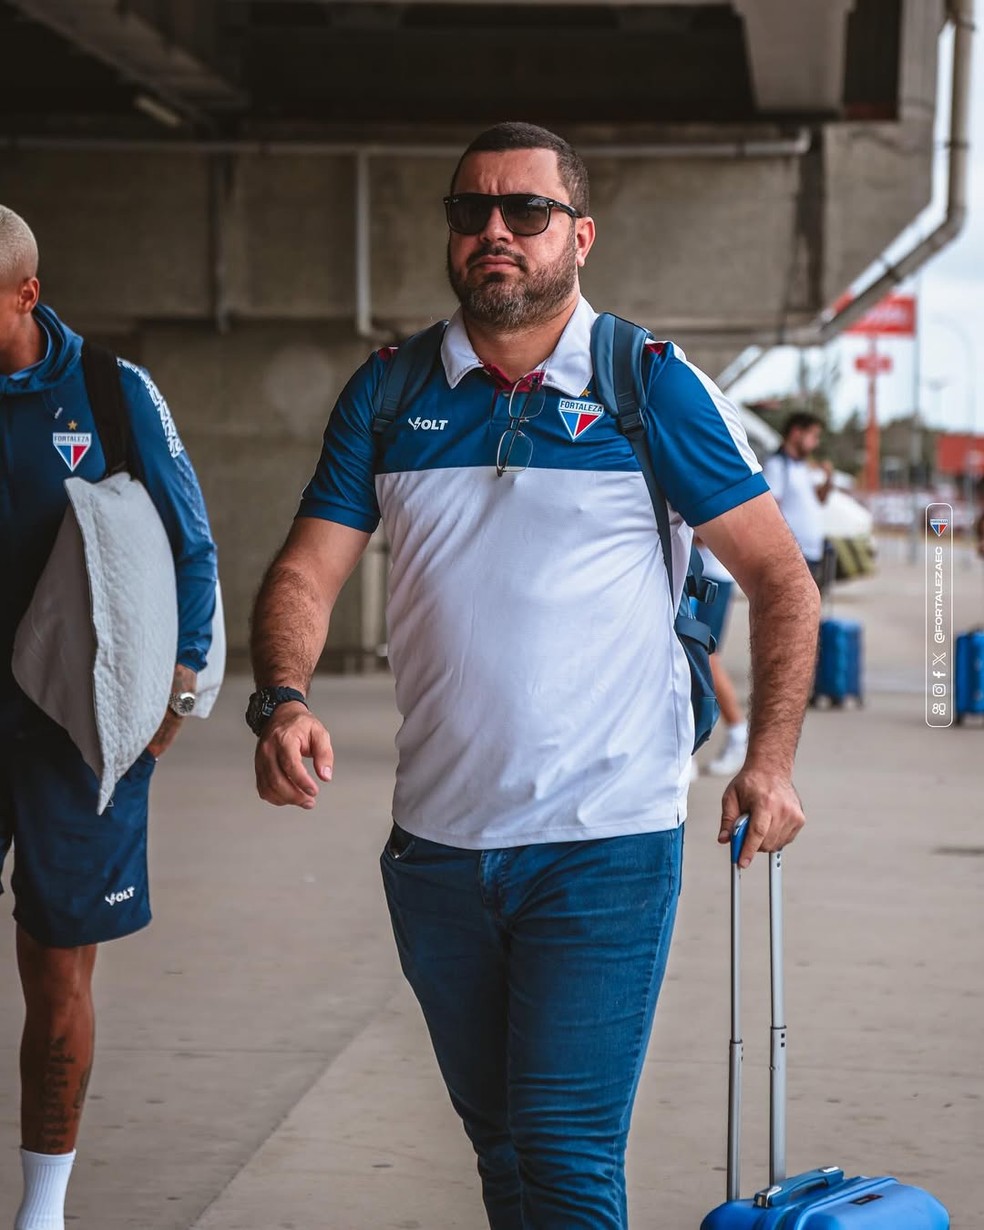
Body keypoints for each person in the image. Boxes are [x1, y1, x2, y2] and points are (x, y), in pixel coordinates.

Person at [249, 122, 820, 1229]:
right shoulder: (388, 392)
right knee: (502, 1152)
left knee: (561, 1153)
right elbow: (304, 575)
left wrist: (773, 760)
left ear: (580, 236)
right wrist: (282, 697)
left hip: (602, 840)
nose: (496, 231)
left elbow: (780, 580)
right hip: (437, 853)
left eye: (526, 211)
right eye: (473, 212)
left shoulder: (646, 384)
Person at [0, 205, 218, 1230]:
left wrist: (177, 692)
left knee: (57, 967)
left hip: (72, 725)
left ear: (27, 294)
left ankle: (42, 1210)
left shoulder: (109, 394)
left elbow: (192, 546)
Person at [761, 411, 834, 591]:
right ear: (796, 433)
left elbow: (820, 499)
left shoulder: (803, 467)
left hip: (811, 553)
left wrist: (829, 478)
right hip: (793, 557)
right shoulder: (777, 466)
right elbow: (771, 512)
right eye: (813, 436)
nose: (816, 443)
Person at [694, 540, 749, 777]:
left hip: (710, 576)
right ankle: (687, 752)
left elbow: (702, 535)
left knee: (704, 658)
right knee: (694, 659)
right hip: (702, 574)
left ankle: (738, 733)